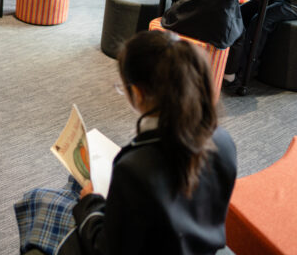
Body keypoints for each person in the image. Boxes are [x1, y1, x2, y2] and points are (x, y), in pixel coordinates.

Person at [14, 30, 237, 255]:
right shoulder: (223, 141)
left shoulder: (135, 168)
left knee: (39, 200)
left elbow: (106, 249)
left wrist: (90, 204)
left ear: (138, 92)